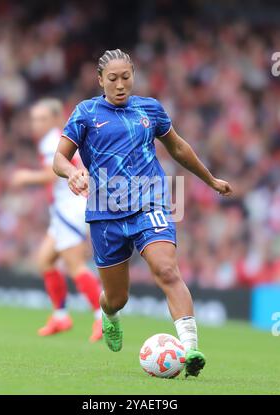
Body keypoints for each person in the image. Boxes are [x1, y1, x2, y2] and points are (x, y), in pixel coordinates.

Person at [53, 49, 233, 377]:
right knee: (117, 298)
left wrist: (210, 180)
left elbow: (177, 147)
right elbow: (59, 159)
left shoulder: (150, 109)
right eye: (113, 79)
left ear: (133, 75)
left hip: (150, 203)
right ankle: (108, 314)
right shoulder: (86, 113)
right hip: (106, 214)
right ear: (100, 81)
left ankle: (190, 348)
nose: (120, 85)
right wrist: (73, 173)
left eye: (126, 77)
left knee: (166, 270)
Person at [11, 98, 102, 342]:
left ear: (54, 118)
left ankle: (101, 317)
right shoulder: (56, 139)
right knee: (45, 260)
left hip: (70, 207)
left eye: (41, 118)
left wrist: (25, 177)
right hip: (63, 208)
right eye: (33, 119)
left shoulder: (53, 139)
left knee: (75, 265)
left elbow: (51, 174)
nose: (35, 124)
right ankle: (61, 316)